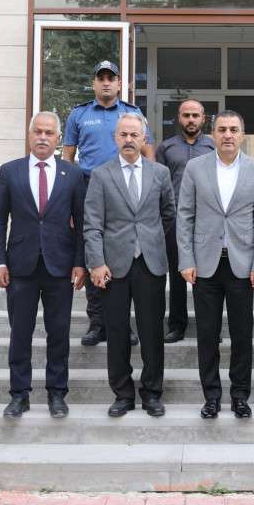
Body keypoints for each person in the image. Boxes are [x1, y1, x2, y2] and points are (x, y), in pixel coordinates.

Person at [0, 111, 87, 419]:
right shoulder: (10, 172)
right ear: (29, 135)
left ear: (58, 139)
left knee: (58, 333)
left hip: (60, 266)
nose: (43, 137)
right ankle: (19, 395)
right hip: (20, 267)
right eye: (38, 132)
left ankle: (57, 394)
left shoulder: (72, 174)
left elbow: (82, 222)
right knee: (20, 333)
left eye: (49, 133)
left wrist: (80, 263)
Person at [176, 110, 254, 420]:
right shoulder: (195, 168)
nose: (227, 135)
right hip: (205, 265)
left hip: (242, 266)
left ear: (242, 135)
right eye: (222, 130)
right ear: (213, 135)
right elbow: (185, 216)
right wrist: (186, 259)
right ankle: (212, 397)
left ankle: (240, 396)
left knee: (242, 335)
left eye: (233, 129)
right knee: (207, 335)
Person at [84, 113, 176, 418]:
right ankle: (122, 394)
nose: (128, 140)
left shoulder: (160, 173)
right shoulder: (101, 175)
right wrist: (96, 262)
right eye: (123, 134)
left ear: (144, 139)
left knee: (152, 332)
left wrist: (150, 240)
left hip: (150, 263)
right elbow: (92, 224)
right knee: (117, 331)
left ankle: (152, 393)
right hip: (113, 266)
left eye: (134, 135)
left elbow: (168, 214)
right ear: (115, 138)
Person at [63, 59, 152, 347]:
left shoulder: (132, 114)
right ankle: (97, 322)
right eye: (100, 78)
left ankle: (124, 324)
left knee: (124, 252)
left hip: (125, 189)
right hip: (88, 187)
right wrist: (67, 200)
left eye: (110, 78)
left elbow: (148, 155)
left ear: (119, 83)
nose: (105, 83)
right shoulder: (79, 114)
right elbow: (68, 158)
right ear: (94, 83)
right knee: (94, 251)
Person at [155, 100, 215, 343]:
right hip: (175, 220)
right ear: (179, 118)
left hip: (208, 220)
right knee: (178, 274)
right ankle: (177, 325)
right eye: (186, 115)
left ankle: (209, 327)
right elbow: (158, 185)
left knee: (208, 275)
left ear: (203, 118)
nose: (191, 119)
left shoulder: (213, 147)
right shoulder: (166, 148)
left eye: (195, 115)